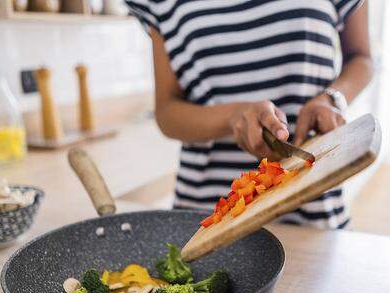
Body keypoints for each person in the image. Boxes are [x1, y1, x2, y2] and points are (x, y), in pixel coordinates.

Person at [125, 0, 373, 228]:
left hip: (313, 206)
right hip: (206, 212)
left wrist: (331, 98)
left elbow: (362, 58)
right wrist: (233, 116)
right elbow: (167, 111)